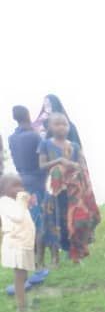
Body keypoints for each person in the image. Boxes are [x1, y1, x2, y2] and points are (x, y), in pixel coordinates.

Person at [37, 113, 100, 264]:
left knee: (74, 220)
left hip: (72, 190)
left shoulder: (75, 146)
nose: (62, 127)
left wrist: (74, 167)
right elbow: (42, 166)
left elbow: (81, 166)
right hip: (53, 188)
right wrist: (60, 161)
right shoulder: (45, 144)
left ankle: (76, 256)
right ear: (50, 127)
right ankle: (54, 258)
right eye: (57, 124)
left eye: (65, 124)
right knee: (52, 220)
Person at [8, 106, 47, 261]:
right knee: (39, 221)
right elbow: (42, 161)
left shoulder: (12, 138)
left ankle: (28, 256)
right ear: (28, 115)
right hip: (36, 181)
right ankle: (39, 260)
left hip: (21, 181)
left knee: (27, 220)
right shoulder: (35, 136)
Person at [0, 174, 36, 312]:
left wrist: (27, 203)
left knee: (23, 275)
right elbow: (18, 217)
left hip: (23, 243)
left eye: (21, 185)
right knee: (20, 276)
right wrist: (22, 201)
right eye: (15, 186)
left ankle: (22, 301)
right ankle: (21, 307)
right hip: (16, 245)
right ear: (3, 189)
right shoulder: (4, 202)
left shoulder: (14, 202)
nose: (20, 189)